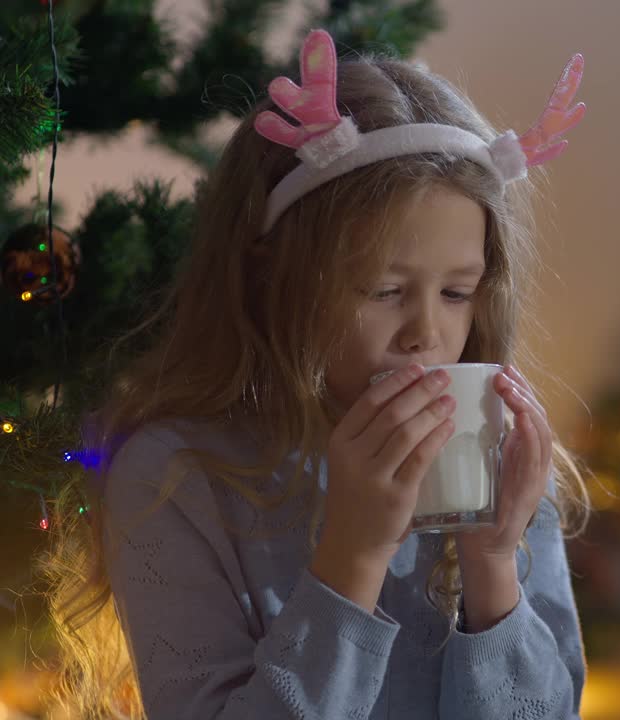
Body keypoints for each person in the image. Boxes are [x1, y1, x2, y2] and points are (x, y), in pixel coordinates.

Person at [43, 29, 591, 719]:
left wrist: (492, 566)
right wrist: (351, 561)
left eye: (457, 293)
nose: (427, 333)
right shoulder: (175, 478)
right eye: (384, 291)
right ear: (274, 277)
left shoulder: (496, 464)